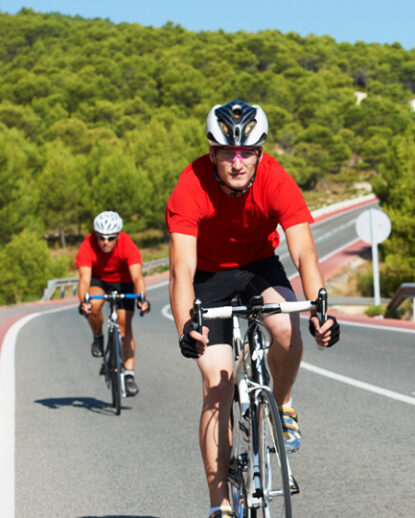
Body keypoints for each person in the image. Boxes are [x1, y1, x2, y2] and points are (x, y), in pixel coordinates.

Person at [167, 99, 340, 518]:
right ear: (212, 153)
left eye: (247, 152)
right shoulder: (190, 186)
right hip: (207, 275)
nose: (237, 161)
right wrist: (186, 326)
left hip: (258, 267)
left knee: (287, 328)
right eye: (227, 151)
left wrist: (321, 308)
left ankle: (281, 404)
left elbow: (304, 252)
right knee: (217, 387)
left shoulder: (276, 180)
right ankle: (220, 505)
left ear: (260, 153)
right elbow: (181, 269)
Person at [76, 210, 150, 396]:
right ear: (95, 235)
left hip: (124, 281)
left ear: (117, 236)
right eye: (101, 238)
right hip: (99, 280)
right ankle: (98, 337)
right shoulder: (88, 244)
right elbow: (84, 279)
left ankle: (129, 375)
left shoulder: (127, 244)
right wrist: (84, 301)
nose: (105, 242)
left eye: (110, 238)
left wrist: (142, 298)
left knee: (124, 326)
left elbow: (137, 276)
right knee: (93, 306)